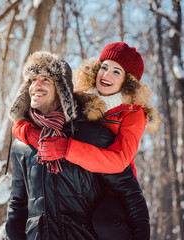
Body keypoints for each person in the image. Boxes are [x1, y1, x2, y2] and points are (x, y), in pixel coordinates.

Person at [13, 42, 159, 239]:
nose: (106, 75)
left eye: (117, 72)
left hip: (113, 190)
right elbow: (30, 118)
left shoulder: (133, 113)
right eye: (104, 67)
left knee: (105, 221)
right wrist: (29, 133)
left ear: (128, 81)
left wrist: (67, 149)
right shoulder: (81, 98)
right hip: (83, 183)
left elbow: (119, 160)